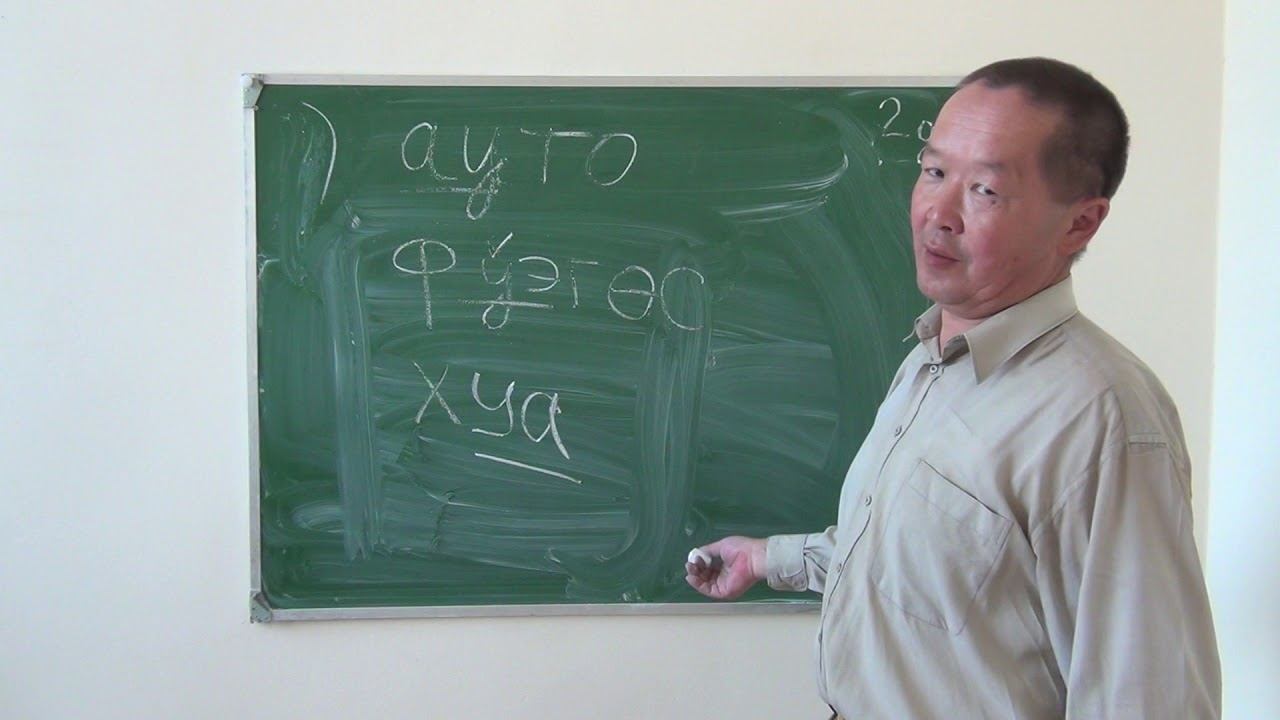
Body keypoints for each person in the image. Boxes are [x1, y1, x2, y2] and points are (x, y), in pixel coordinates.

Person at [686, 58, 1221, 719]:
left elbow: (1149, 697)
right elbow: (929, 556)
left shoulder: (1100, 418)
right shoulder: (930, 358)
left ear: (1080, 223)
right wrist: (770, 558)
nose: (936, 213)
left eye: (985, 191)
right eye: (934, 172)